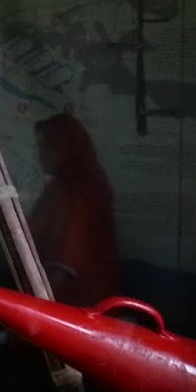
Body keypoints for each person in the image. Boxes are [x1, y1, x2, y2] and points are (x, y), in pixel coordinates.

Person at [29, 112, 121, 307]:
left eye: (46, 146)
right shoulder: (66, 186)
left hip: (72, 304)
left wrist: (34, 307)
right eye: (39, 146)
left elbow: (65, 265)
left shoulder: (77, 192)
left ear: (65, 150)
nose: (40, 154)